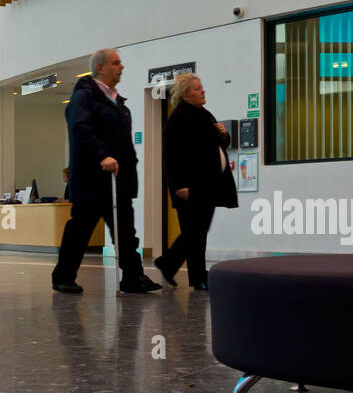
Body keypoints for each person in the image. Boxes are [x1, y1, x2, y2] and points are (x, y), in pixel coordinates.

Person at [51, 48, 161, 295]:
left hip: (117, 181)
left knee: (125, 232)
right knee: (80, 230)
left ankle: (132, 277)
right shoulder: (84, 97)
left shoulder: (117, 101)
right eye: (116, 63)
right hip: (92, 181)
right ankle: (63, 276)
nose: (121, 67)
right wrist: (102, 155)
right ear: (100, 67)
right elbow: (80, 129)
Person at [154, 73, 236, 290]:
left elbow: (217, 144)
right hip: (191, 186)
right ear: (186, 94)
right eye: (198, 89)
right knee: (195, 232)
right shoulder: (179, 118)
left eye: (202, 88)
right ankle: (182, 269)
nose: (203, 91)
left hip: (208, 184)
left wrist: (224, 134)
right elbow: (171, 155)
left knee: (197, 232)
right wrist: (179, 185)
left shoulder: (204, 114)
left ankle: (185, 271)